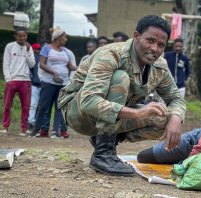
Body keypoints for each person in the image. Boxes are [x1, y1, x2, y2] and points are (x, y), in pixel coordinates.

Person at [57, 15, 186, 176]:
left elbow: (175, 98)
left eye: (161, 45)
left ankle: (104, 141)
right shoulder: (111, 54)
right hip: (77, 113)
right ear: (136, 36)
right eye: (150, 40)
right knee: (121, 77)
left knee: (164, 118)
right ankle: (102, 154)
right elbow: (89, 101)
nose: (155, 49)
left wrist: (176, 118)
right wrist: (137, 113)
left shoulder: (160, 66)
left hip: (110, 118)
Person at [31, 27, 76, 138]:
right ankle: (41, 130)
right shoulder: (46, 49)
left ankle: (56, 131)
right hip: (49, 82)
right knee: (44, 107)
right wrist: (54, 73)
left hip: (63, 83)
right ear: (58, 38)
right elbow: (42, 64)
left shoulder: (65, 51)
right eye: (64, 37)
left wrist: (81, 68)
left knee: (59, 108)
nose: (66, 39)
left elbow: (70, 66)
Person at [1, 27, 36, 136]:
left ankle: (24, 129)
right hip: (12, 79)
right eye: (20, 36)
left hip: (25, 80)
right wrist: (8, 78)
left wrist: (28, 51)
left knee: (26, 106)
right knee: (7, 104)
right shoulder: (10, 46)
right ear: (15, 36)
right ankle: (5, 127)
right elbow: (6, 63)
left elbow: (32, 64)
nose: (22, 38)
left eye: (24, 36)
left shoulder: (29, 48)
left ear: (27, 36)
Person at [27, 43, 42, 131]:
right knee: (34, 105)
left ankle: (33, 123)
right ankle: (32, 122)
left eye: (38, 49)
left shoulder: (39, 58)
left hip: (38, 84)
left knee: (36, 105)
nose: (37, 51)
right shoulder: (33, 58)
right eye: (36, 49)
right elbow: (30, 70)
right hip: (35, 85)